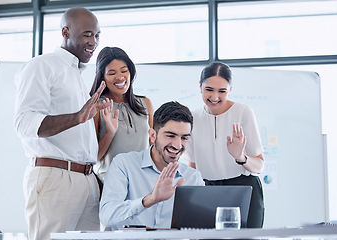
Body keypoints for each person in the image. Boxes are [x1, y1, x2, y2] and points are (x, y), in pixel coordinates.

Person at [14, 7, 110, 240]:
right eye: (87, 34)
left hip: (87, 180)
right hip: (56, 177)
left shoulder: (77, 74)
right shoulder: (42, 66)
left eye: (97, 35)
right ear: (66, 32)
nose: (94, 41)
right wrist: (77, 117)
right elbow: (24, 123)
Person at [182, 61, 265, 228]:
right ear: (200, 86)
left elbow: (259, 166)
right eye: (209, 90)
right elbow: (192, 165)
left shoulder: (243, 112)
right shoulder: (192, 117)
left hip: (243, 188)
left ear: (230, 90)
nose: (214, 97)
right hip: (207, 190)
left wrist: (240, 157)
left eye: (222, 91)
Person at [99, 101, 204, 230]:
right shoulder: (124, 164)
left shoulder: (193, 178)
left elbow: (198, 226)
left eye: (184, 138)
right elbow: (106, 216)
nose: (178, 145)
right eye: (170, 136)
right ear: (153, 135)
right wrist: (150, 200)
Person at [90, 46, 154, 181]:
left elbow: (152, 147)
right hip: (111, 183)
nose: (119, 77)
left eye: (124, 71)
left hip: (142, 181)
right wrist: (110, 133)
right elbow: (93, 157)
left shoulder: (145, 104)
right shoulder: (97, 107)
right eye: (112, 73)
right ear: (103, 77)